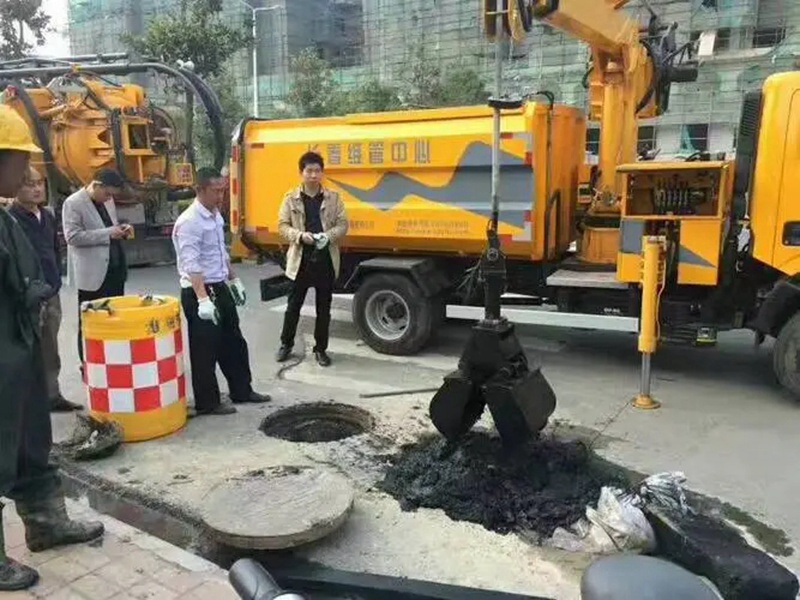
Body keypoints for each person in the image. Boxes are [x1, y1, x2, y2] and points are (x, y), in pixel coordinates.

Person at [0, 104, 104, 592]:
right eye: (21, 159)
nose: (28, 172)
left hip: (18, 356)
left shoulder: (6, 219)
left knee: (31, 447)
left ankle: (46, 524)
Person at [172, 167, 271, 416]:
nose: (220, 196)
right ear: (200, 190)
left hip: (219, 285)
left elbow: (219, 252)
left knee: (234, 341)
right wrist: (203, 299)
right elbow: (192, 265)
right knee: (205, 349)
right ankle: (208, 402)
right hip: (200, 291)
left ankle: (242, 390)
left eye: (223, 191)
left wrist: (233, 280)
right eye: (215, 191)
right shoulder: (189, 222)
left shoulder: (215, 215)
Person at [9, 167, 82, 412]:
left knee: (50, 347)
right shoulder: (10, 219)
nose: (37, 189)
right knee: (26, 350)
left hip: (50, 293)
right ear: (16, 187)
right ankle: (27, 400)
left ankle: (52, 395)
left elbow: (54, 249)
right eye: (30, 184)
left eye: (40, 183)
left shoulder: (47, 216)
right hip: (26, 297)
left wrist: (55, 281)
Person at [276, 151, 348, 367]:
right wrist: (300, 236)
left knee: (323, 309)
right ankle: (286, 344)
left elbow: (343, 224)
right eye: (309, 171)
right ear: (302, 173)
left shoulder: (334, 198)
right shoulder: (291, 198)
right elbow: (282, 226)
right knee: (293, 306)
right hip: (301, 259)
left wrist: (328, 236)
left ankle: (321, 349)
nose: (314, 175)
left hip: (325, 258)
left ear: (322, 173)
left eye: (317, 171)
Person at [62, 167, 131, 365]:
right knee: (90, 322)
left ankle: (115, 361)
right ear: (96, 185)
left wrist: (122, 229)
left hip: (114, 270)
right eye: (107, 193)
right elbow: (72, 237)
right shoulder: (73, 203)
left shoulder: (108, 201)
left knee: (114, 320)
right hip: (92, 276)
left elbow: (110, 226)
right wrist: (108, 233)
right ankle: (88, 364)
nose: (109, 198)